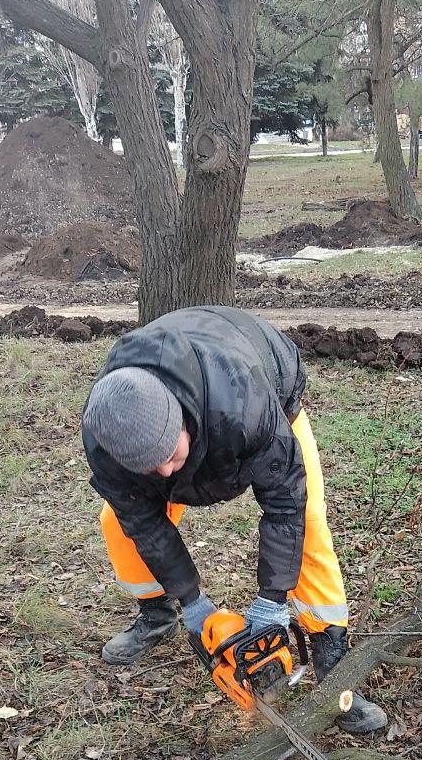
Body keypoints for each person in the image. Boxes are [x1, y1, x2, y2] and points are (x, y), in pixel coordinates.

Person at [81, 305, 387, 735]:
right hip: (201, 400)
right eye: (151, 467)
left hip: (264, 385)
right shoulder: (106, 439)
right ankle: (156, 613)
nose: (165, 471)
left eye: (170, 454)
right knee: (117, 523)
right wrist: (192, 601)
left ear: (181, 419)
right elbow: (144, 522)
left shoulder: (245, 405)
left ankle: (331, 656)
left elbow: (285, 505)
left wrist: (273, 600)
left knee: (308, 522)